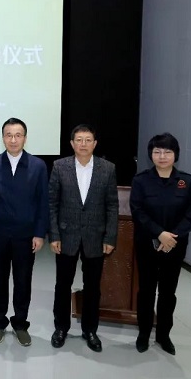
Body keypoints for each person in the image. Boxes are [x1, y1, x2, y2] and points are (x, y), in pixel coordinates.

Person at [48, 124, 118, 352]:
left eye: (88, 140)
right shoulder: (60, 166)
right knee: (62, 285)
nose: (83, 144)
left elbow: (112, 205)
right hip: (66, 236)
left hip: (95, 238)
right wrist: (54, 235)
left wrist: (110, 237)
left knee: (93, 287)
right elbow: (52, 204)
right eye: (79, 140)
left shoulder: (108, 169)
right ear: (72, 143)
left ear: (95, 144)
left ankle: (90, 330)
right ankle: (61, 328)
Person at [0, 117, 49, 346]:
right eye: (9, 135)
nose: (13, 140)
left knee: (23, 281)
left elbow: (42, 202)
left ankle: (20, 323)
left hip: (25, 235)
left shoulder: (38, 166)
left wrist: (39, 233)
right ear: (3, 138)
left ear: (25, 138)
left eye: (18, 135)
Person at [130, 133, 191, 355]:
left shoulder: (187, 182)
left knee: (168, 293)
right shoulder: (140, 181)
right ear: (151, 154)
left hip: (174, 247)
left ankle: (163, 335)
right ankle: (143, 334)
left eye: (167, 152)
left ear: (175, 155)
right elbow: (137, 211)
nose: (162, 156)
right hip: (147, 245)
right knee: (146, 291)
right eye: (157, 151)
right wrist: (160, 234)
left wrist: (171, 238)